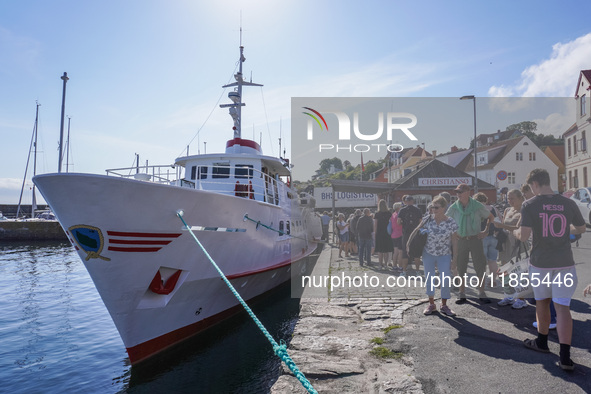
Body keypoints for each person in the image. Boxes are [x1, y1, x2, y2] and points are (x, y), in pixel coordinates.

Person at [515, 169, 586, 371]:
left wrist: (515, 230)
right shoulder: (568, 203)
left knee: (542, 303)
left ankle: (542, 342)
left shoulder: (530, 204)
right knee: (563, 308)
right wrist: (566, 230)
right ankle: (565, 356)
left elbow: (523, 235)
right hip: (564, 263)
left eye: (531, 188)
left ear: (535, 184)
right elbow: (581, 229)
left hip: (541, 264)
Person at [446, 184, 495, 304]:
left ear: (468, 192)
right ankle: (462, 293)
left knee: (480, 266)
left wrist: (486, 231)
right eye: (457, 192)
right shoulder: (454, 207)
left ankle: (481, 292)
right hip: (461, 240)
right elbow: (446, 220)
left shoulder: (477, 206)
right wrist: (452, 232)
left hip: (475, 239)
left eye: (461, 192)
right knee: (461, 266)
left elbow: (490, 217)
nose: (458, 194)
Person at [421, 196, 458, 316]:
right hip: (428, 253)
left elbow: (454, 241)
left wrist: (455, 258)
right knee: (429, 278)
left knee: (445, 279)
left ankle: (444, 305)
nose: (433, 209)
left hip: (444, 254)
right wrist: (409, 244)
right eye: (432, 207)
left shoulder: (450, 222)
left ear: (443, 208)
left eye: (436, 207)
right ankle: (431, 304)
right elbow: (417, 233)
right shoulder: (427, 219)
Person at [494, 189, 529, 310]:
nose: (510, 201)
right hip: (506, 243)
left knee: (519, 272)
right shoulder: (507, 210)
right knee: (504, 271)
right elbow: (504, 225)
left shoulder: (524, 210)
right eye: (508, 198)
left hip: (518, 244)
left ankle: (521, 299)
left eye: (512, 198)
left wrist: (501, 226)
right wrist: (498, 231)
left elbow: (518, 227)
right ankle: (508, 295)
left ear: (520, 198)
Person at [473, 193, 500, 286]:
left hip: (481, 237)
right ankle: (493, 281)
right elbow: (500, 220)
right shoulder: (493, 208)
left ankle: (481, 282)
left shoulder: (476, 209)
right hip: (494, 237)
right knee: (492, 260)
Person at [398, 195, 422, 276]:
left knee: (405, 252)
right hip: (415, 233)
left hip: (406, 233)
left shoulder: (402, 210)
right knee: (416, 253)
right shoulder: (417, 210)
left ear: (406, 201)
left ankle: (404, 271)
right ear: (413, 201)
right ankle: (418, 271)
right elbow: (420, 222)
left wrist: (403, 223)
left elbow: (398, 222)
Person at [374, 199, 392, 269]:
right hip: (387, 233)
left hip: (379, 233)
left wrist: (375, 234)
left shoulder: (377, 214)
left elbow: (375, 225)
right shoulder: (389, 213)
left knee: (380, 250)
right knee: (386, 250)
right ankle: (386, 265)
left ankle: (380, 265)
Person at [390, 202, 404, 271]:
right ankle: (400, 266)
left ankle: (394, 266)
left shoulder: (393, 215)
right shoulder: (399, 215)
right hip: (400, 234)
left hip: (393, 234)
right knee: (400, 252)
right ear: (399, 208)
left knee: (395, 252)